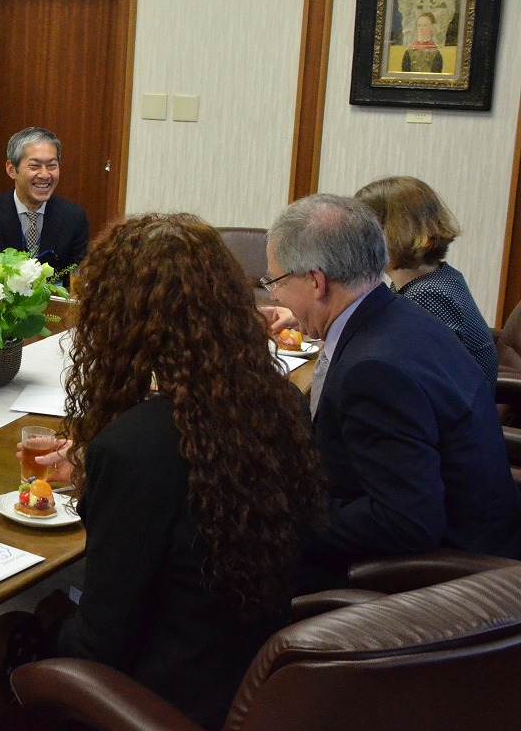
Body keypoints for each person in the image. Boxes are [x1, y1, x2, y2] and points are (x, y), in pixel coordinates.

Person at [22, 213, 323, 731]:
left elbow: (98, 648)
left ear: (120, 320)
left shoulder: (135, 449)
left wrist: (48, 624)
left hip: (163, 702)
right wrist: (96, 467)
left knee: (18, 630)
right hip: (257, 678)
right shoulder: (279, 403)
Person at [264, 194, 520, 587]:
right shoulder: (401, 316)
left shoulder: (374, 370)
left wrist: (277, 520)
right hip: (475, 535)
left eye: (276, 282)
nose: (274, 296)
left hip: (441, 577)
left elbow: (405, 522)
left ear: (316, 281)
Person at [355, 176, 496, 380]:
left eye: (362, 231)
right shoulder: (438, 277)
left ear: (395, 231)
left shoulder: (427, 295)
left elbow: (400, 372)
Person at [0, 127, 89, 283]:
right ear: (12, 169)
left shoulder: (73, 218)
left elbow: (77, 279)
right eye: (34, 166)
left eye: (52, 166)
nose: (45, 175)